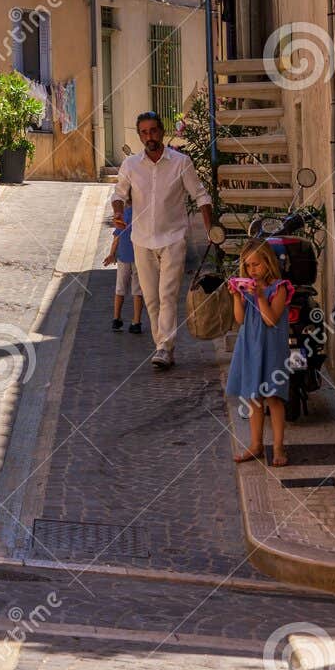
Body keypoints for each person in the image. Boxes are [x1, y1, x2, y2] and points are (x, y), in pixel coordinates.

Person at [111, 111, 214, 369]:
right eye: (144, 132)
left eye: (153, 131)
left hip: (173, 237)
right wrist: (117, 212)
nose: (150, 137)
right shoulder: (131, 165)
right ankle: (163, 345)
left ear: (162, 131)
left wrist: (210, 227)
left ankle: (164, 348)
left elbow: (201, 196)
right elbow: (119, 193)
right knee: (151, 298)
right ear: (139, 135)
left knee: (168, 295)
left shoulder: (181, 163)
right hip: (142, 239)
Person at [226, 239, 293, 468]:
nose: (251, 270)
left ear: (268, 262)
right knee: (254, 397)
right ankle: (255, 445)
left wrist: (261, 297)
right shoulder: (248, 289)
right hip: (250, 347)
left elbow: (271, 319)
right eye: (247, 266)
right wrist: (237, 296)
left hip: (272, 349)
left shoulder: (280, 287)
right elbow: (240, 319)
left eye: (256, 265)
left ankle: (278, 446)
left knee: (273, 397)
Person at [103, 194, 144, 333]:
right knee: (137, 291)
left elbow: (117, 236)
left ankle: (116, 319)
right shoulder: (143, 215)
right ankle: (136, 322)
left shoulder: (124, 214)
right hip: (139, 257)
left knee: (120, 289)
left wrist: (111, 254)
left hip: (123, 256)